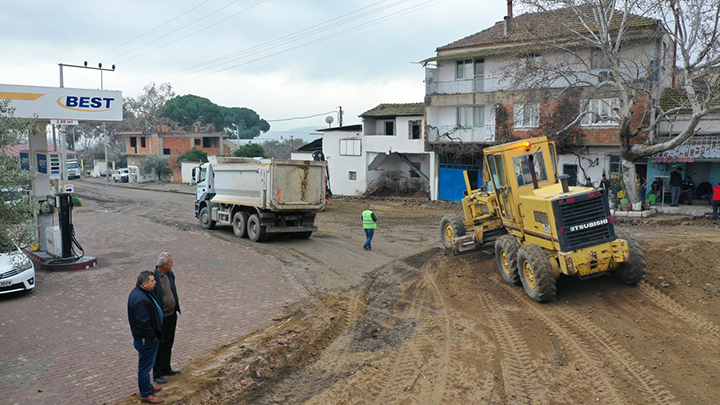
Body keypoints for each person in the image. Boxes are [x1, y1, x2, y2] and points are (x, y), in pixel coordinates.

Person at [128, 271, 164, 404]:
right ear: (144, 284)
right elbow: (143, 323)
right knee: (145, 366)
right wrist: (153, 337)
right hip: (146, 340)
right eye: (152, 281)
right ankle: (146, 394)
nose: (155, 282)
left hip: (147, 339)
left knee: (147, 364)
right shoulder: (140, 299)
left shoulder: (142, 293)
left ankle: (147, 387)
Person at [152, 252, 181, 385]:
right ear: (164, 265)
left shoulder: (170, 275)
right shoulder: (152, 279)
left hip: (171, 315)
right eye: (170, 263)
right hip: (161, 319)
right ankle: (157, 373)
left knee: (169, 343)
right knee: (159, 345)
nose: (172, 264)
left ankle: (166, 368)